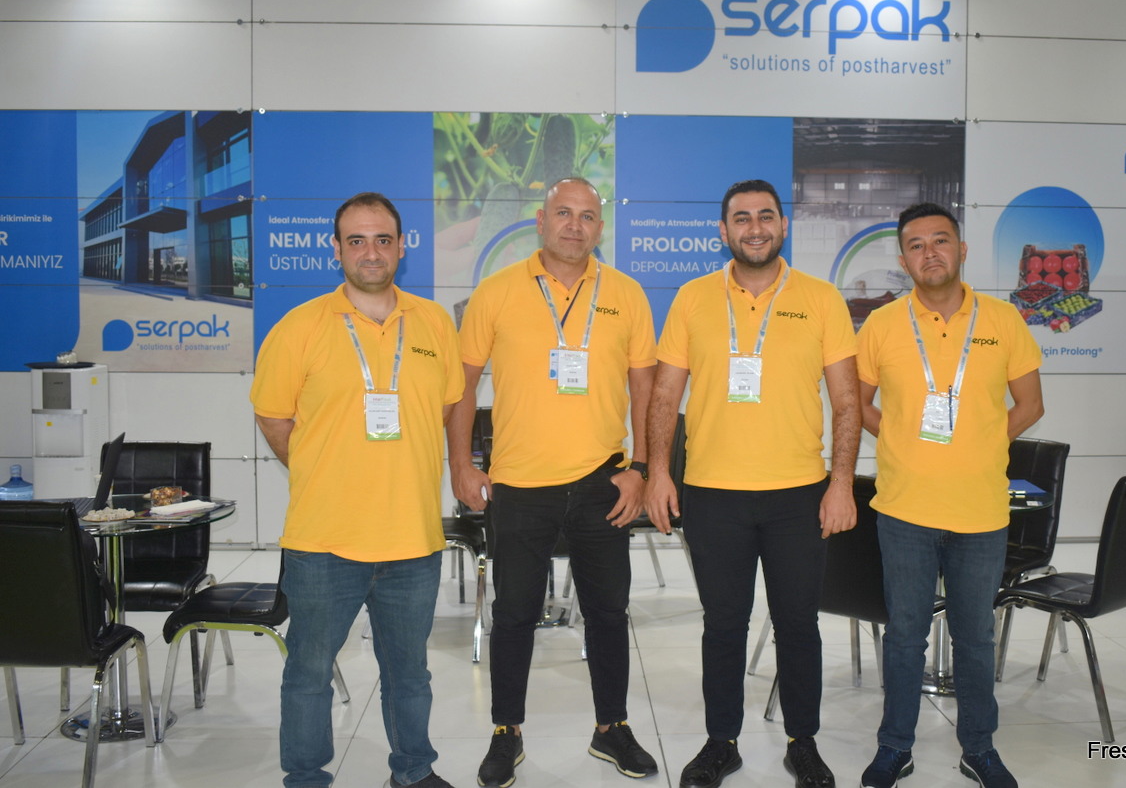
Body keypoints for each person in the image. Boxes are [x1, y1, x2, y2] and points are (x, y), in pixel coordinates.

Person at [644, 179, 861, 788]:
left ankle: (803, 742)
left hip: (799, 494)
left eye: (766, 216)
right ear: (724, 231)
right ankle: (722, 742)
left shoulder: (821, 299)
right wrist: (659, 472)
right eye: (742, 218)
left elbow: (847, 402)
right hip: (713, 494)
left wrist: (841, 482)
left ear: (783, 226)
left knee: (799, 625)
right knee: (723, 625)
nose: (755, 227)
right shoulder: (692, 298)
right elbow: (664, 395)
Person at [447, 177, 659, 787]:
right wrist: (461, 465)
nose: (574, 225)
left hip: (602, 484)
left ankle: (611, 727)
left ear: (600, 228)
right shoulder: (497, 292)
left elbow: (646, 392)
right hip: (519, 486)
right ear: (540, 221)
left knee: (609, 612)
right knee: (514, 613)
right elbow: (461, 386)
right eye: (563, 213)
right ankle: (505, 731)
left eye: (587, 216)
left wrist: (641, 469)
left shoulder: (626, 294)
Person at [251, 192, 463, 788]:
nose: (372, 252)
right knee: (309, 672)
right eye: (357, 240)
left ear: (402, 247)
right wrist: (323, 470)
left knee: (410, 673)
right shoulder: (299, 327)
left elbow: (447, 406)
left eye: (383, 239)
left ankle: (414, 772)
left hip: (412, 539)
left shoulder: (433, 323)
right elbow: (273, 418)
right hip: (324, 541)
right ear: (337, 249)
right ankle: (306, 778)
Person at [855, 203, 1043, 788]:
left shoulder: (1003, 319)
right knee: (905, 636)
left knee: (976, 638)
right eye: (915, 245)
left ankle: (979, 749)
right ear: (903, 260)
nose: (929, 252)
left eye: (940, 240)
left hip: (980, 511)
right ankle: (895, 747)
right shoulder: (882, 324)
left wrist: (983, 442)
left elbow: (1031, 404)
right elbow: (855, 403)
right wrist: (900, 437)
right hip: (905, 509)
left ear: (961, 250)